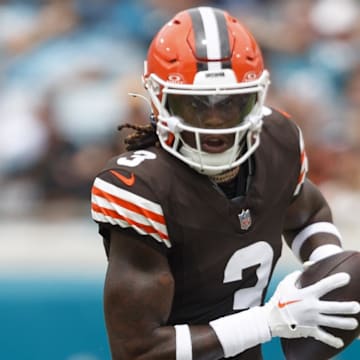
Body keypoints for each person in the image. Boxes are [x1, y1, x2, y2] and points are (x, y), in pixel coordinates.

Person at [90, 6, 360, 360]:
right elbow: (137, 351)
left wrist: (327, 269)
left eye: (231, 104)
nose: (214, 123)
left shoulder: (278, 140)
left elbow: (307, 213)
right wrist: (270, 320)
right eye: (195, 106)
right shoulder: (140, 187)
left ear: (257, 97)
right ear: (158, 99)